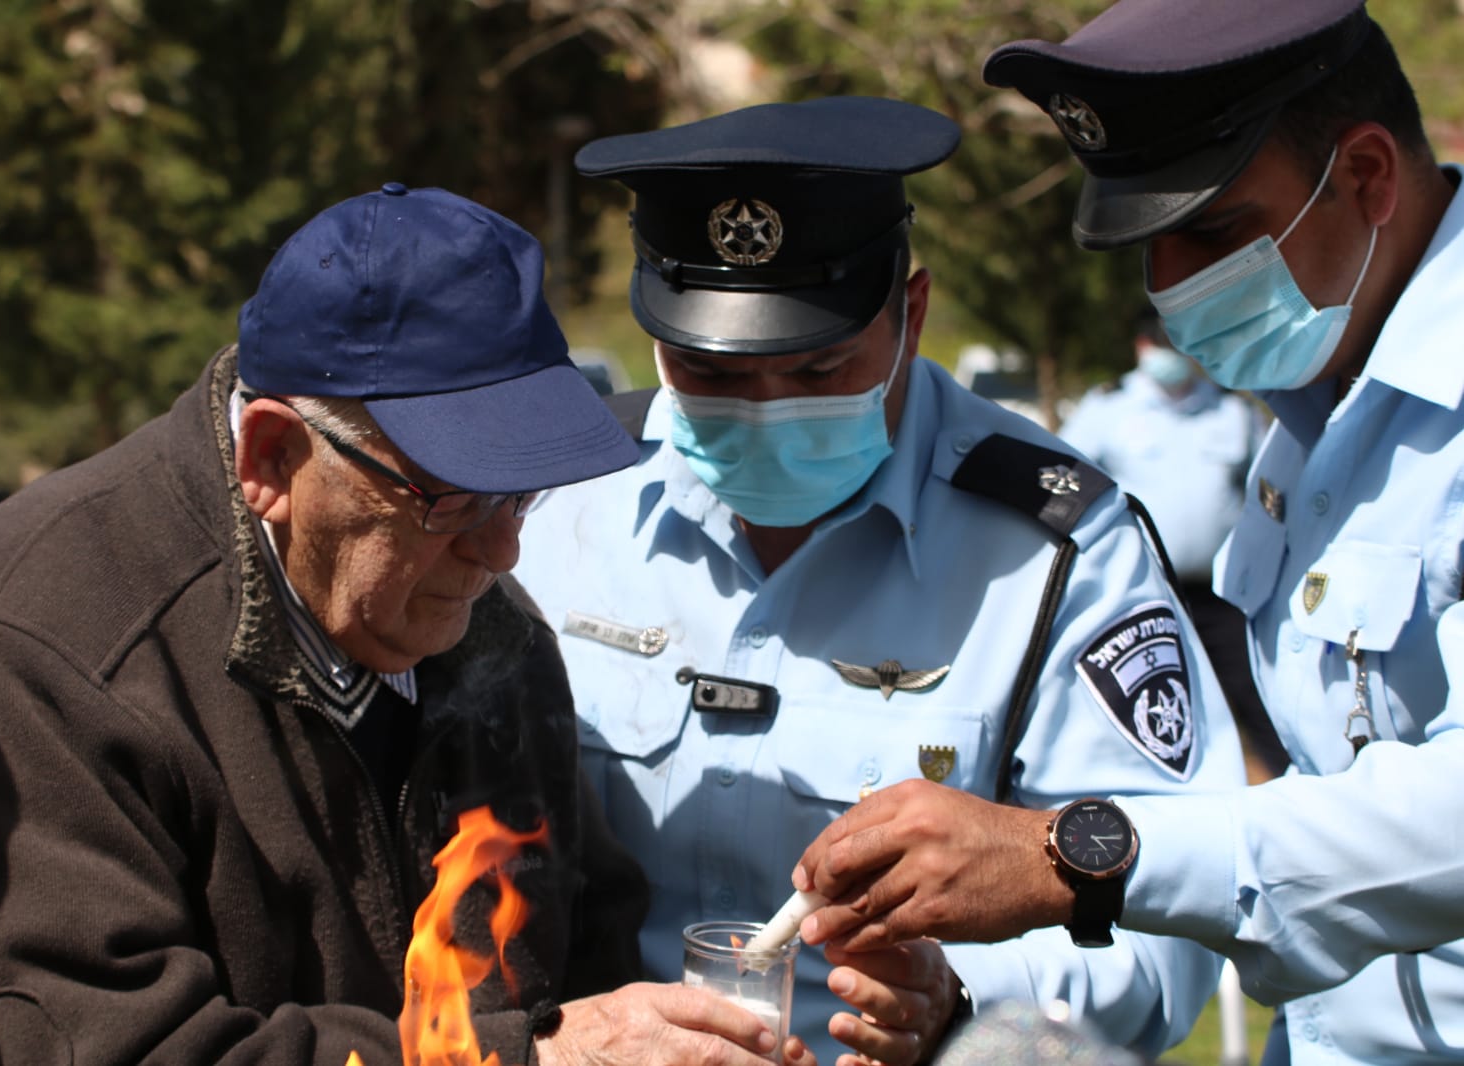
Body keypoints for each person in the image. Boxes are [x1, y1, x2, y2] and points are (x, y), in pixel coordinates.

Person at [0, 184, 813, 1066]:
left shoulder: (490, 635)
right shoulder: (48, 656)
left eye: (522, 495)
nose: (499, 554)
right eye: (447, 500)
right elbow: (120, 1046)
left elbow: (586, 947)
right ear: (273, 456)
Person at [511, 97, 1247, 1066]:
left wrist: (965, 1006)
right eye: (713, 374)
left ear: (913, 313)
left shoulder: (1056, 554)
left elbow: (1170, 911)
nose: (767, 409)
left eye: (819, 370)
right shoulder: (554, 506)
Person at [793, 5, 1464, 1063]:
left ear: (1369, 174)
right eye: (1149, 245)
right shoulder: (1317, 412)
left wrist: (1077, 854)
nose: (1170, 285)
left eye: (1212, 231)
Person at [1058, 317, 1287, 777]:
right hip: (1141, 594)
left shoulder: (1230, 411)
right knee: (1147, 707)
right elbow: (1066, 488)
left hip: (1222, 595)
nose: (1174, 357)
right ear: (1143, 345)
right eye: (1164, 346)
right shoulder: (1108, 408)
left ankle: (1293, 791)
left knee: (1257, 701)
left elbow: (1270, 493)